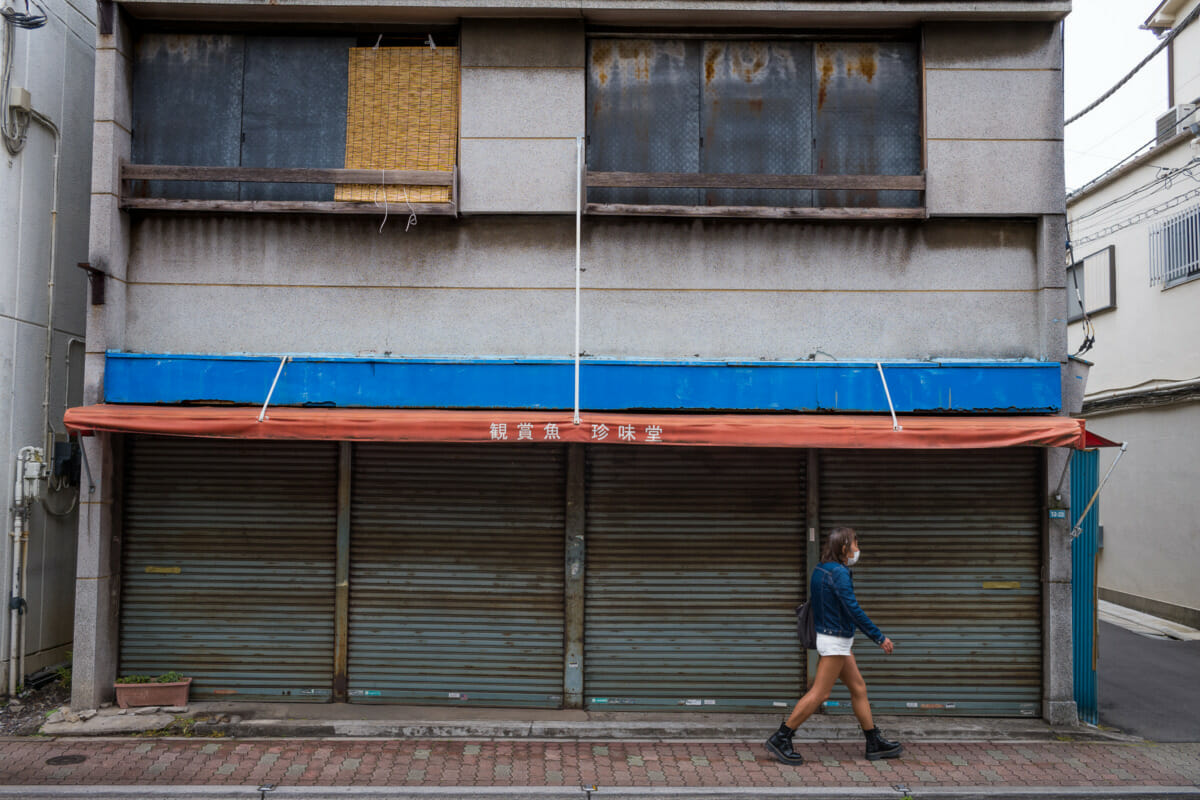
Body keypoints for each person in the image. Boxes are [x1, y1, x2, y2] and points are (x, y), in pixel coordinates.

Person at [764, 526, 903, 765]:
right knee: (820, 692)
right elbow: (853, 609)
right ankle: (781, 737)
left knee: (858, 688)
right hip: (835, 640)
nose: (858, 549)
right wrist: (879, 637)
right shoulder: (838, 573)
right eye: (855, 544)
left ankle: (873, 741)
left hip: (833, 638)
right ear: (844, 547)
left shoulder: (821, 569)